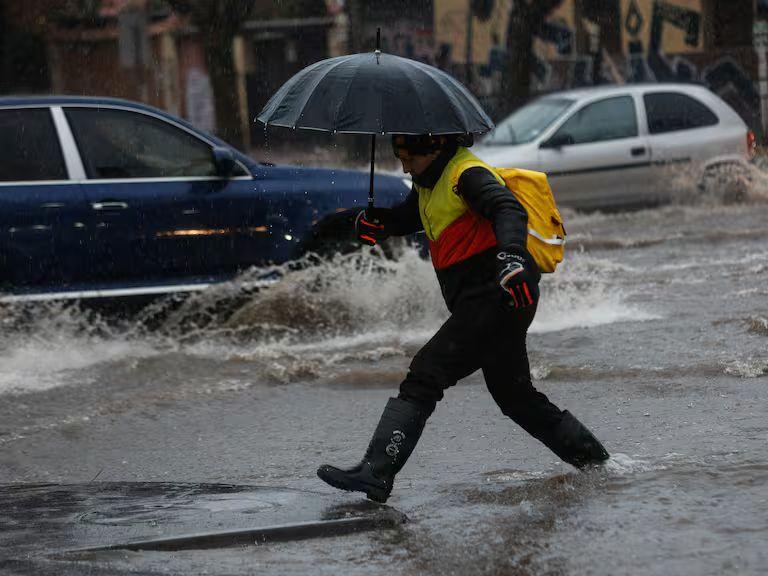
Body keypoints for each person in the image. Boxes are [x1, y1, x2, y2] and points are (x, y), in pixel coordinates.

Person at [317, 134, 609, 503]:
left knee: (425, 375)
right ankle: (597, 464)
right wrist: (375, 222)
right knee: (516, 398)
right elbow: (410, 217)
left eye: (409, 157)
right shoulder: (428, 180)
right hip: (490, 303)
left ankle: (376, 472)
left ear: (435, 147)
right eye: (398, 156)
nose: (404, 165)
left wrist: (512, 256)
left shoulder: (466, 174)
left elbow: (508, 209)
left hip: (497, 296)